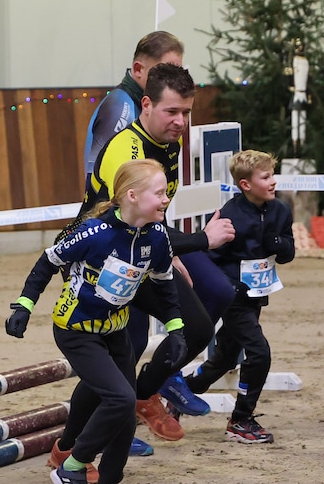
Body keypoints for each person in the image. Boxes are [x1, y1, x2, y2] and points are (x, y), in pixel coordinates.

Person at [66, 63, 235, 447]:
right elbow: (132, 220)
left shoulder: (168, 145)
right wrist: (200, 241)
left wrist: (169, 254)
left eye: (187, 112)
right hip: (100, 260)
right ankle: (73, 445)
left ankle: (143, 395)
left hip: (138, 251)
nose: (180, 121)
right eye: (171, 111)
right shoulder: (126, 150)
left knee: (196, 327)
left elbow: (153, 216)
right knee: (121, 353)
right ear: (146, 104)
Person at [5, 158, 184, 484]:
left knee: (125, 416)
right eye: (159, 193)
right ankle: (72, 467)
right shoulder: (94, 233)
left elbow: (164, 284)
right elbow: (47, 262)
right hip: (76, 330)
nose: (166, 199)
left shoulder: (158, 236)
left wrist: (176, 328)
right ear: (132, 196)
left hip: (116, 330)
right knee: (121, 399)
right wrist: (23, 305)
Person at [182, 149, 294, 444]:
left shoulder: (281, 211)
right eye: (266, 177)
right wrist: (230, 285)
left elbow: (288, 253)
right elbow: (209, 260)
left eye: (273, 175)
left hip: (256, 296)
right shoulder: (229, 216)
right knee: (259, 353)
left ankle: (179, 390)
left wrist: (279, 243)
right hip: (233, 298)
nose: (273, 182)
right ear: (245, 184)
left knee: (225, 357)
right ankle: (241, 419)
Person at [82, 31, 183, 193]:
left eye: (178, 72)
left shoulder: (147, 104)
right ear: (138, 70)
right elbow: (109, 186)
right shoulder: (120, 108)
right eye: (166, 72)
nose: (175, 81)